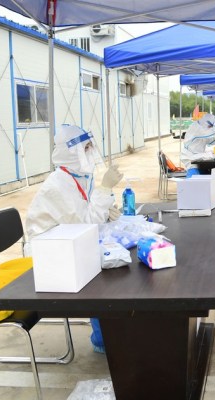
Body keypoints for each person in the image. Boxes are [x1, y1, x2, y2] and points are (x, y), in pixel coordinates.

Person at [25, 124, 124, 354]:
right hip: (49, 255)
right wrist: (105, 189)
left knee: (115, 260)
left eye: (90, 147)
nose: (90, 152)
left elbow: (84, 216)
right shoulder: (57, 185)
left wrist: (106, 210)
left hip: (68, 244)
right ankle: (103, 340)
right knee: (102, 274)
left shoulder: (78, 176)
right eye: (85, 148)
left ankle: (112, 332)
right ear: (70, 151)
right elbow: (84, 224)